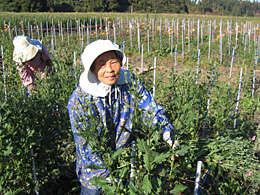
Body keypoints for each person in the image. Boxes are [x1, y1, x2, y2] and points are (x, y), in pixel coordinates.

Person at [67, 39, 175, 195]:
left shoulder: (129, 84)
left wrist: (165, 130)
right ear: (91, 69)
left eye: (114, 62)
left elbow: (149, 109)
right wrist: (108, 176)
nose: (110, 69)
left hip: (124, 163)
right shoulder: (80, 101)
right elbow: (87, 145)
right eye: (102, 64)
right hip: (94, 173)